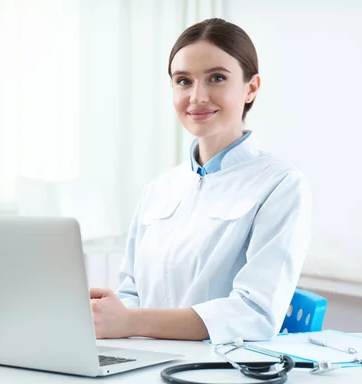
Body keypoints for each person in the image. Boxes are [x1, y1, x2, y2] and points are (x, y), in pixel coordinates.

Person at [89, 18, 312, 344]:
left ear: (251, 88)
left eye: (217, 78)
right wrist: (105, 315)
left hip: (216, 369)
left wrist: (131, 321)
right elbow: (131, 290)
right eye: (183, 81)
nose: (197, 96)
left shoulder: (280, 185)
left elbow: (254, 315)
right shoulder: (158, 189)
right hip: (143, 361)